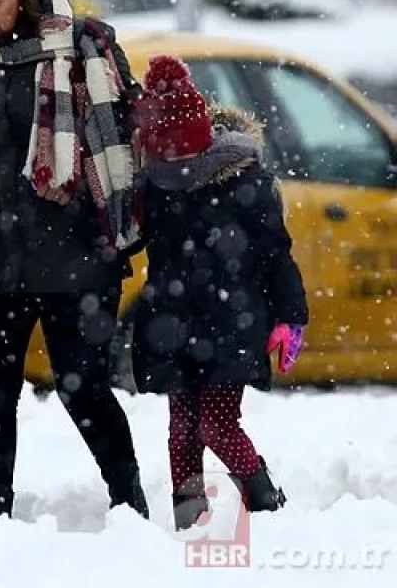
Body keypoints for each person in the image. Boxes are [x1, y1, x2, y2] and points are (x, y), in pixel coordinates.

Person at [0, 0, 148, 521]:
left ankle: (129, 502)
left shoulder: (82, 46)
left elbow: (121, 129)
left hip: (74, 249)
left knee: (84, 388)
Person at [131, 54, 309, 529]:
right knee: (181, 430)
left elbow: (277, 255)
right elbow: (133, 240)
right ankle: (190, 519)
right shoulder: (155, 184)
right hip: (172, 320)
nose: (176, 167)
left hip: (234, 321)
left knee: (215, 423)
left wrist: (291, 317)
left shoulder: (246, 182)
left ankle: (266, 501)